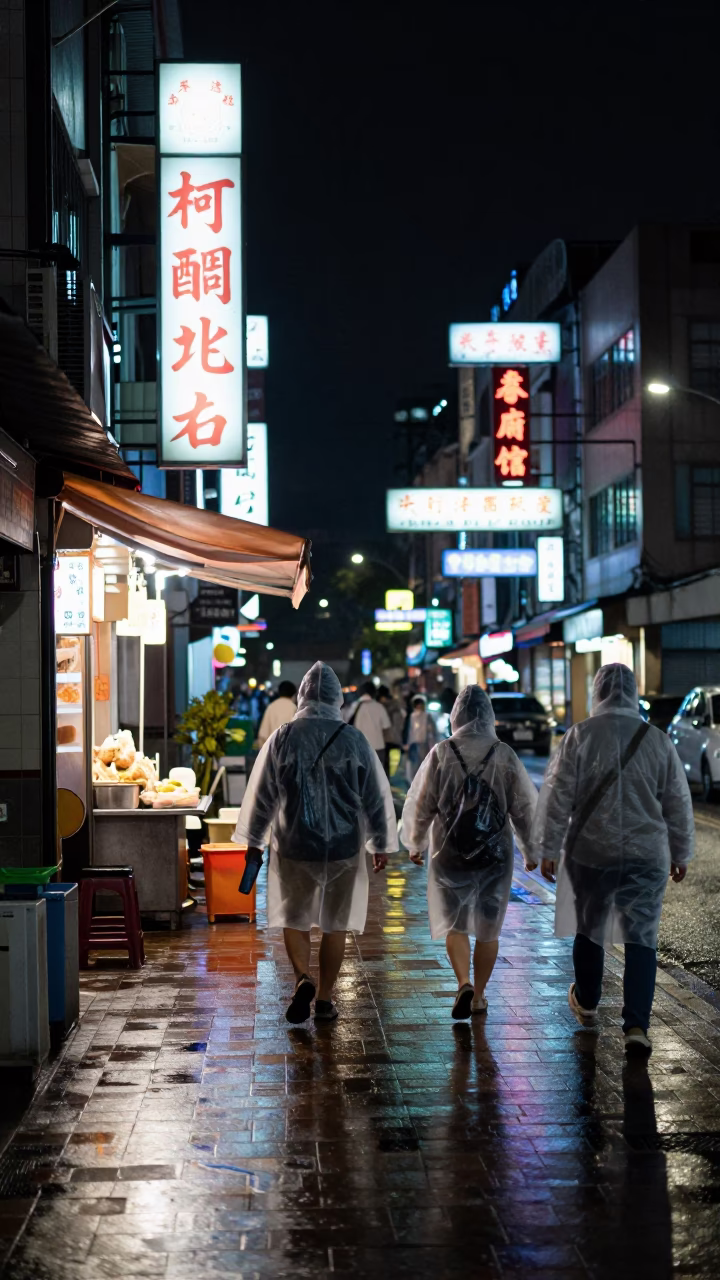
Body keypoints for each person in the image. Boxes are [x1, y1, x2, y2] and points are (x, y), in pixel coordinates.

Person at [533, 663, 694, 1057]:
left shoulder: (579, 736)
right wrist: (681, 851)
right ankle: (636, 1026)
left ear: (598, 691)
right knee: (642, 938)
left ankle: (587, 1001)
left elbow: (556, 798)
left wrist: (548, 848)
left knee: (589, 928)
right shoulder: (656, 740)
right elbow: (677, 801)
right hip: (646, 854)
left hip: (591, 853)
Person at [233, 662, 398, 1023]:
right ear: (337, 698)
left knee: (295, 918)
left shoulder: (284, 737)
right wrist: (381, 843)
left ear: (302, 696)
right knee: (335, 925)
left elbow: (262, 796)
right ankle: (324, 999)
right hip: (343, 846)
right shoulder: (354, 739)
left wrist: (254, 841)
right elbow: (375, 797)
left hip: (294, 844)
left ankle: (302, 978)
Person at [403, 685, 538, 1019]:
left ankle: (462, 981)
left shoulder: (441, 752)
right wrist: (533, 849)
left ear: (455, 716)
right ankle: (479, 996)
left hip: (449, 853)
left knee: (456, 925)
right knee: (489, 930)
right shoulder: (504, 753)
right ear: (489, 715)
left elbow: (422, 804)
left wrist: (415, 841)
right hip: (495, 855)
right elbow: (524, 808)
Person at [346, 681, 392, 771]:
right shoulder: (379, 707)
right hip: (378, 747)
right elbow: (386, 727)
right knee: (377, 777)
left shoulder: (353, 707)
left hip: (359, 748)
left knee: (361, 777)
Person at [404, 695, 436, 783]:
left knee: (422, 763)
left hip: (424, 743)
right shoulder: (411, 716)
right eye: (417, 704)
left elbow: (432, 730)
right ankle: (414, 782)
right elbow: (408, 730)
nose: (419, 706)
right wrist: (407, 743)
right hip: (413, 743)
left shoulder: (427, 716)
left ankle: (421, 782)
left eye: (420, 704)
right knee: (414, 764)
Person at [256, 681, 297, 748]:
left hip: (272, 750)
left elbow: (263, 734)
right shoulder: (294, 708)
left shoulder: (271, 707)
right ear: (293, 695)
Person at [377, 684, 406, 776]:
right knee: (389, 764)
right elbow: (401, 721)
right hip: (395, 738)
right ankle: (388, 779)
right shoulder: (396, 706)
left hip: (383, 739)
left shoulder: (380, 707)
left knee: (383, 763)